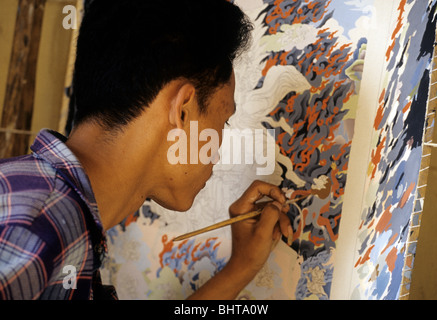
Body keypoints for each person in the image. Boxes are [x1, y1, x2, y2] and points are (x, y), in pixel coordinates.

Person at [0, 0, 292, 300]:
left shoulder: (62, 223)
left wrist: (241, 268)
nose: (216, 152)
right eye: (223, 122)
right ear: (183, 110)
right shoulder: (34, 230)